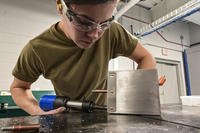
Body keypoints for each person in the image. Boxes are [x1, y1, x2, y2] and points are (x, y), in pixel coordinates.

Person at [10, 0, 156, 115]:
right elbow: (18, 88)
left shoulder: (113, 31)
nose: (95, 35)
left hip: (105, 116)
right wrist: (38, 112)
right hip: (67, 119)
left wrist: (135, 94)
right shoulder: (38, 49)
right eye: (84, 23)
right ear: (60, 6)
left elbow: (146, 57)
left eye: (104, 23)